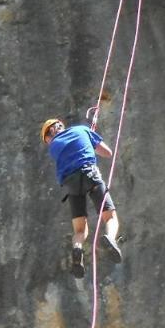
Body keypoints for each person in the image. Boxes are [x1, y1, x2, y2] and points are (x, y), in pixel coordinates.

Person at [41, 118, 124, 277]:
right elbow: (107, 152)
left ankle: (77, 248)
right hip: (90, 175)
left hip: (71, 184)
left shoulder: (54, 147)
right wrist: (91, 139)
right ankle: (110, 238)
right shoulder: (81, 130)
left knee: (79, 229)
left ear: (50, 135)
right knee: (110, 216)